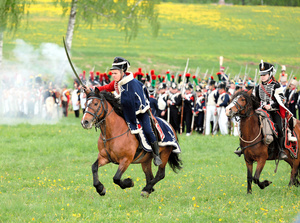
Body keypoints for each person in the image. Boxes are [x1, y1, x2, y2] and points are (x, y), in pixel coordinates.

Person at [88, 56, 162, 166]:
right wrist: (91, 90)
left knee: (147, 130)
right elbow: (107, 87)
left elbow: (133, 104)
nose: (113, 76)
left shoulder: (133, 84)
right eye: (112, 73)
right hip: (126, 111)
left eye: (115, 73)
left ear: (123, 72)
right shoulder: (117, 83)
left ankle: (156, 155)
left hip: (140, 112)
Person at [254, 60, 296, 160]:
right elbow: (256, 100)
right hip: (260, 110)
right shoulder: (258, 87)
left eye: (264, 74)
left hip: (274, 111)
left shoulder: (276, 86)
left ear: (269, 74)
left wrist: (271, 106)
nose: (262, 77)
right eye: (261, 75)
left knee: (279, 127)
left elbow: (282, 101)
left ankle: (281, 150)